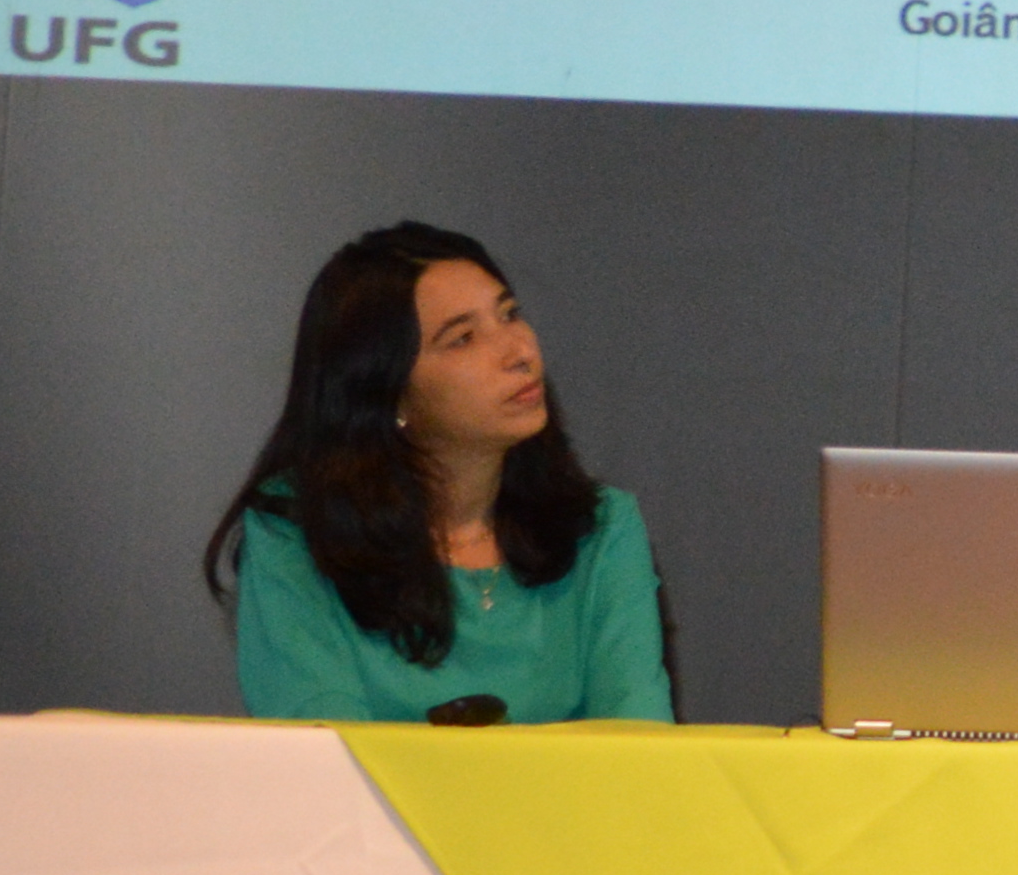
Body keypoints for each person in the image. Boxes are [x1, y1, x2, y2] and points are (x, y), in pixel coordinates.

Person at [205, 222, 674, 727]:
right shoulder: (296, 532)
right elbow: (323, 759)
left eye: (511, 315)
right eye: (464, 338)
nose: (520, 353)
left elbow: (639, 747)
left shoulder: (600, 527)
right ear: (389, 391)